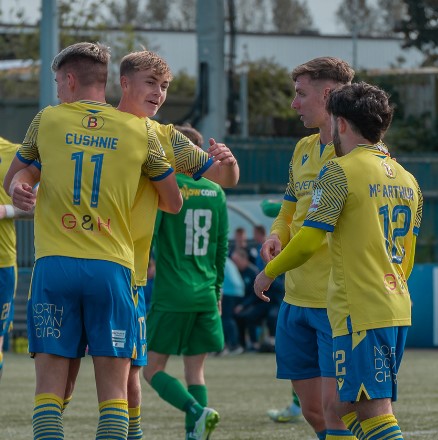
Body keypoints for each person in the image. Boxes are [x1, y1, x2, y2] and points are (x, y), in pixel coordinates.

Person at [3, 42, 182, 440]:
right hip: (112, 269)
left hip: (55, 266)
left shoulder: (47, 120)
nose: (57, 90)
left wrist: (19, 189)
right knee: (115, 396)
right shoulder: (141, 130)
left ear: (69, 80)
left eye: (57, 82)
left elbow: (15, 178)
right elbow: (173, 202)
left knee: (49, 394)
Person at [60, 50, 239, 440]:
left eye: (165, 86)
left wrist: (228, 162)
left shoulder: (164, 135)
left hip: (131, 277)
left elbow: (224, 178)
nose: (159, 93)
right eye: (151, 83)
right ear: (123, 83)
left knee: (131, 376)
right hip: (85, 263)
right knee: (66, 374)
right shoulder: (99, 126)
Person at [255, 81, 423, 439]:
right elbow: (408, 254)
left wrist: (269, 272)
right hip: (394, 304)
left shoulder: (339, 171)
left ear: (341, 123)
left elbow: (308, 240)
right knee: (343, 407)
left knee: (373, 411)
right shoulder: (409, 180)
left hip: (359, 309)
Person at [259, 57, 356, 440]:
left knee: (338, 411)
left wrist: (270, 270)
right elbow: (289, 208)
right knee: (314, 411)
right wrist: (275, 236)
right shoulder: (302, 147)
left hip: (335, 303)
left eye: (301, 94)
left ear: (328, 94)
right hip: (295, 300)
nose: (294, 103)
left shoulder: (355, 152)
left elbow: (316, 234)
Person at [143, 124, 228, 439]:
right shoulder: (217, 191)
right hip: (206, 293)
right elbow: (221, 248)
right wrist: (218, 294)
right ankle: (196, 432)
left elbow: (149, 237)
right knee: (196, 371)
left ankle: (195, 411)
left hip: (172, 294)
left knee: (151, 369)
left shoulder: (168, 187)